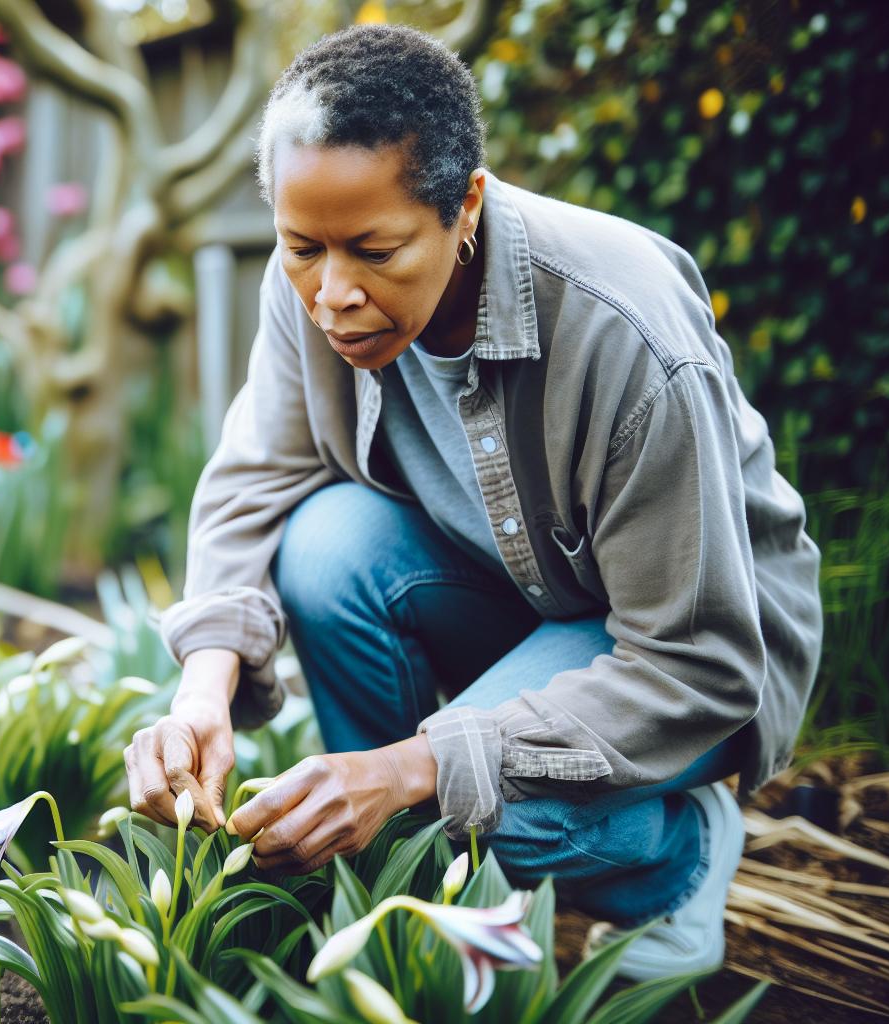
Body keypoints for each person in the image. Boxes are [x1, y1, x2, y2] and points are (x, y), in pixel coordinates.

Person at [125, 23, 822, 982]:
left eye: (376, 250)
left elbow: (696, 659)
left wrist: (410, 770)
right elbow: (259, 474)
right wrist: (202, 689)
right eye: (301, 247)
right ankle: (403, 887)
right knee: (326, 543)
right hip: (519, 591)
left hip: (680, 653)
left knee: (456, 801)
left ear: (467, 208)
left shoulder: (624, 332)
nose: (333, 294)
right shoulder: (313, 287)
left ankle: (679, 858)